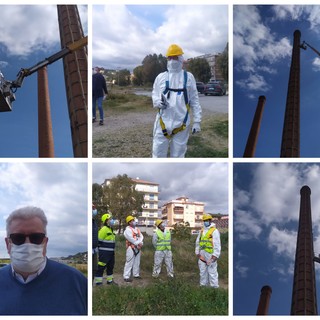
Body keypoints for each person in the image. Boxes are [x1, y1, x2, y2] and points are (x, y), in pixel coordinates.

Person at [0, 206, 87, 315]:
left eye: (36, 238)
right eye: (18, 238)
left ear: (45, 243)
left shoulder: (77, 282)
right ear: (8, 244)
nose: (28, 244)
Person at [152, 44, 202, 158]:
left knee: (178, 155)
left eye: (175, 57)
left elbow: (194, 100)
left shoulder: (189, 77)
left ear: (180, 59)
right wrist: (157, 102)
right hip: (162, 123)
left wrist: (197, 121)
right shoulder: (161, 77)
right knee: (158, 154)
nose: (172, 60)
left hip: (182, 124)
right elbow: (154, 94)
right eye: (169, 58)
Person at [195, 213, 221, 288]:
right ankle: (203, 288)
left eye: (207, 220)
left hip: (210, 255)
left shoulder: (214, 231)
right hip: (202, 255)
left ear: (210, 220)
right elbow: (198, 242)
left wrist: (215, 256)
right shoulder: (202, 231)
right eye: (204, 220)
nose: (205, 221)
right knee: (202, 272)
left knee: (212, 273)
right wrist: (197, 252)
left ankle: (214, 289)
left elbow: (217, 245)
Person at [94, 213, 117, 285]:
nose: (111, 220)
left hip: (111, 253)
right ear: (106, 221)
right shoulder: (103, 230)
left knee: (110, 266)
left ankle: (109, 281)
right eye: (110, 219)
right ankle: (98, 281)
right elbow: (98, 242)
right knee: (101, 267)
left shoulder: (111, 230)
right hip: (104, 253)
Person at [123, 215, 143, 282]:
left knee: (137, 262)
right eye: (132, 220)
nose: (134, 221)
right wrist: (138, 243)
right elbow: (130, 239)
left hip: (138, 248)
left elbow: (141, 237)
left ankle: (136, 274)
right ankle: (126, 276)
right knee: (129, 262)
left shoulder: (137, 229)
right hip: (131, 248)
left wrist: (141, 243)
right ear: (129, 222)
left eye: (134, 220)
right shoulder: (127, 230)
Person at [92, 204, 99, 283]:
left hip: (94, 249)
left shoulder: (94, 222)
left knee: (94, 268)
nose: (94, 210)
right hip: (92, 249)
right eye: (92, 208)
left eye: (94, 208)